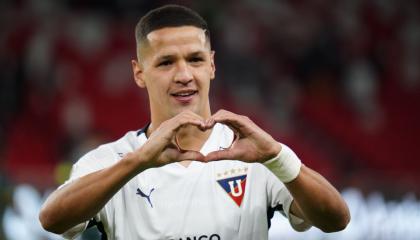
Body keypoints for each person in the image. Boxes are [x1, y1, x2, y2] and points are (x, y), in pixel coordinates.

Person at [39, 4, 350, 240]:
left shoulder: (253, 154)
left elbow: (336, 219)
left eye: (195, 59)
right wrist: (138, 162)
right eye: (166, 62)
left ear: (212, 65)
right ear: (138, 73)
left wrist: (277, 156)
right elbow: (52, 220)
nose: (184, 75)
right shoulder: (113, 160)